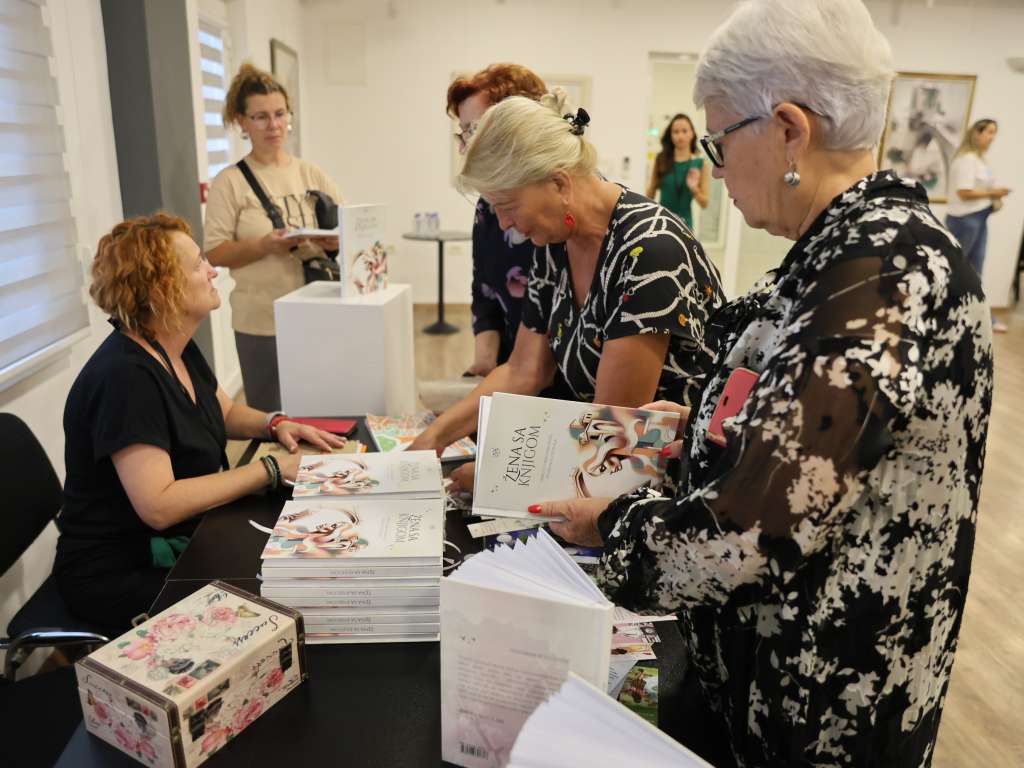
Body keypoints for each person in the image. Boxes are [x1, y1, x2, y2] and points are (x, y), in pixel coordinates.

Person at [530, 2, 994, 766]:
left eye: (720, 140)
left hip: (821, 711)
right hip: (765, 684)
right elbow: (806, 431)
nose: (715, 168)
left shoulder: (882, 271)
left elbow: (745, 536)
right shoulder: (842, 250)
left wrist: (611, 526)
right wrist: (700, 431)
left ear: (788, 130)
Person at [54, 214, 344, 636]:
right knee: (283, 591)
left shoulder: (171, 343)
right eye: (197, 265)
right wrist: (270, 468)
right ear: (160, 290)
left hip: (180, 541)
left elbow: (221, 412)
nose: (212, 270)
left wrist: (275, 423)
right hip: (121, 571)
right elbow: (159, 505)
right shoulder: (125, 379)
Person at [410, 92, 724, 478]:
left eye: (507, 206)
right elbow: (524, 369)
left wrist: (489, 475)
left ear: (559, 184)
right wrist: (433, 438)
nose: (505, 224)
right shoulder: (555, 240)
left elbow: (613, 429)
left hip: (670, 475)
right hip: (603, 462)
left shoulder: (650, 251)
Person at [204, 62, 343, 411]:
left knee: (324, 411)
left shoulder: (311, 173)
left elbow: (350, 231)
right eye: (261, 117)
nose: (274, 125)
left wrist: (334, 241)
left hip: (317, 314)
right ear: (242, 122)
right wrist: (264, 245)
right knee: (272, 417)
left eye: (280, 114)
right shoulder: (229, 182)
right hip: (261, 322)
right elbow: (215, 253)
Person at [446, 64, 551, 377]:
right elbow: (485, 291)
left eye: (473, 130)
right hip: (510, 372)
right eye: (463, 132)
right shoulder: (488, 208)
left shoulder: (561, 216)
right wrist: (485, 362)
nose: (464, 147)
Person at [946, 118, 1011, 332]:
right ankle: (941, 317)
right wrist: (994, 192)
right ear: (977, 133)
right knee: (955, 270)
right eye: (989, 132)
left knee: (975, 272)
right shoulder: (966, 160)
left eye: (994, 132)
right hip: (965, 220)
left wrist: (994, 193)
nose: (993, 137)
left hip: (979, 218)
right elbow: (964, 192)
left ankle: (979, 318)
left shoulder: (979, 160)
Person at [645, 113, 710, 230]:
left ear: (692, 133)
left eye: (684, 131)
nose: (680, 135)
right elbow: (650, 194)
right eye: (676, 132)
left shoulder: (700, 164)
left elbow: (704, 203)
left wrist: (694, 188)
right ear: (670, 135)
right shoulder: (661, 159)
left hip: (686, 226)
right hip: (661, 223)